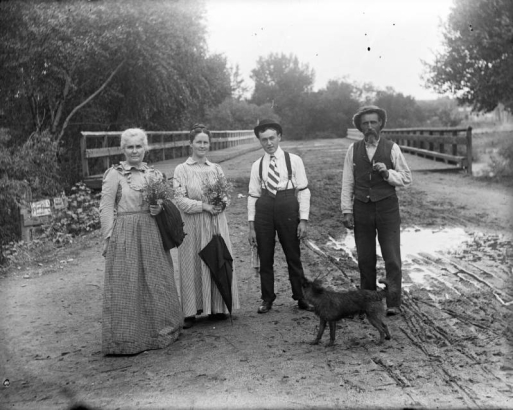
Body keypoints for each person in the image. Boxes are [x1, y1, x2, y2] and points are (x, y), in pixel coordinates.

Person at [100, 128, 182, 355]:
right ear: (123, 149)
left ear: (145, 148)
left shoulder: (154, 175)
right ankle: (127, 339)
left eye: (138, 146)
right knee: (127, 282)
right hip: (125, 233)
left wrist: (159, 207)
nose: (134, 151)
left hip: (151, 231)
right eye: (130, 147)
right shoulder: (114, 174)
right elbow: (106, 207)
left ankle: (161, 332)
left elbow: (165, 204)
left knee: (157, 279)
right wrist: (107, 237)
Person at [341, 106, 412, 316]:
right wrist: (346, 210)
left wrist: (388, 173)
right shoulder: (353, 150)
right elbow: (347, 182)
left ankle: (393, 302)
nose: (370, 126)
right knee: (365, 258)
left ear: (381, 124)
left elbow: (406, 178)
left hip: (387, 208)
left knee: (392, 257)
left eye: (373, 122)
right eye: (365, 123)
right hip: (362, 207)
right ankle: (369, 302)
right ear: (360, 127)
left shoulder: (392, 148)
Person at [173, 124, 240, 329]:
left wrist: (222, 204)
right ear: (191, 144)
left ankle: (218, 307)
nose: (202, 145)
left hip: (214, 222)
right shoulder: (181, 169)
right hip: (193, 223)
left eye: (205, 142)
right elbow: (179, 199)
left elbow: (226, 194)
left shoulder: (216, 168)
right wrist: (204, 206)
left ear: (209, 145)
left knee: (217, 258)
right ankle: (191, 312)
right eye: (198, 142)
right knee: (191, 263)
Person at [248, 119, 313, 314]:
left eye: (272, 138)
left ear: (279, 137)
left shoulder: (294, 160)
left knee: (293, 255)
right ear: (259, 141)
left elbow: (303, 190)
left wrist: (303, 220)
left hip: (287, 204)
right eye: (264, 140)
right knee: (265, 256)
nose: (268, 143)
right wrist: (251, 226)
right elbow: (253, 195)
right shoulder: (257, 165)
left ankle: (301, 297)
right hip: (265, 208)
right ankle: (267, 298)